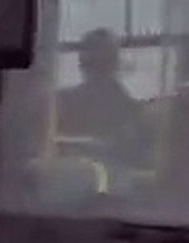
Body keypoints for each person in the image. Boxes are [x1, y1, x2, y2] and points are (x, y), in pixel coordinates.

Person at [54, 28, 146, 166]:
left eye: (102, 63)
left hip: (114, 181)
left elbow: (133, 156)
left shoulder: (130, 110)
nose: (97, 68)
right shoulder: (60, 103)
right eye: (94, 62)